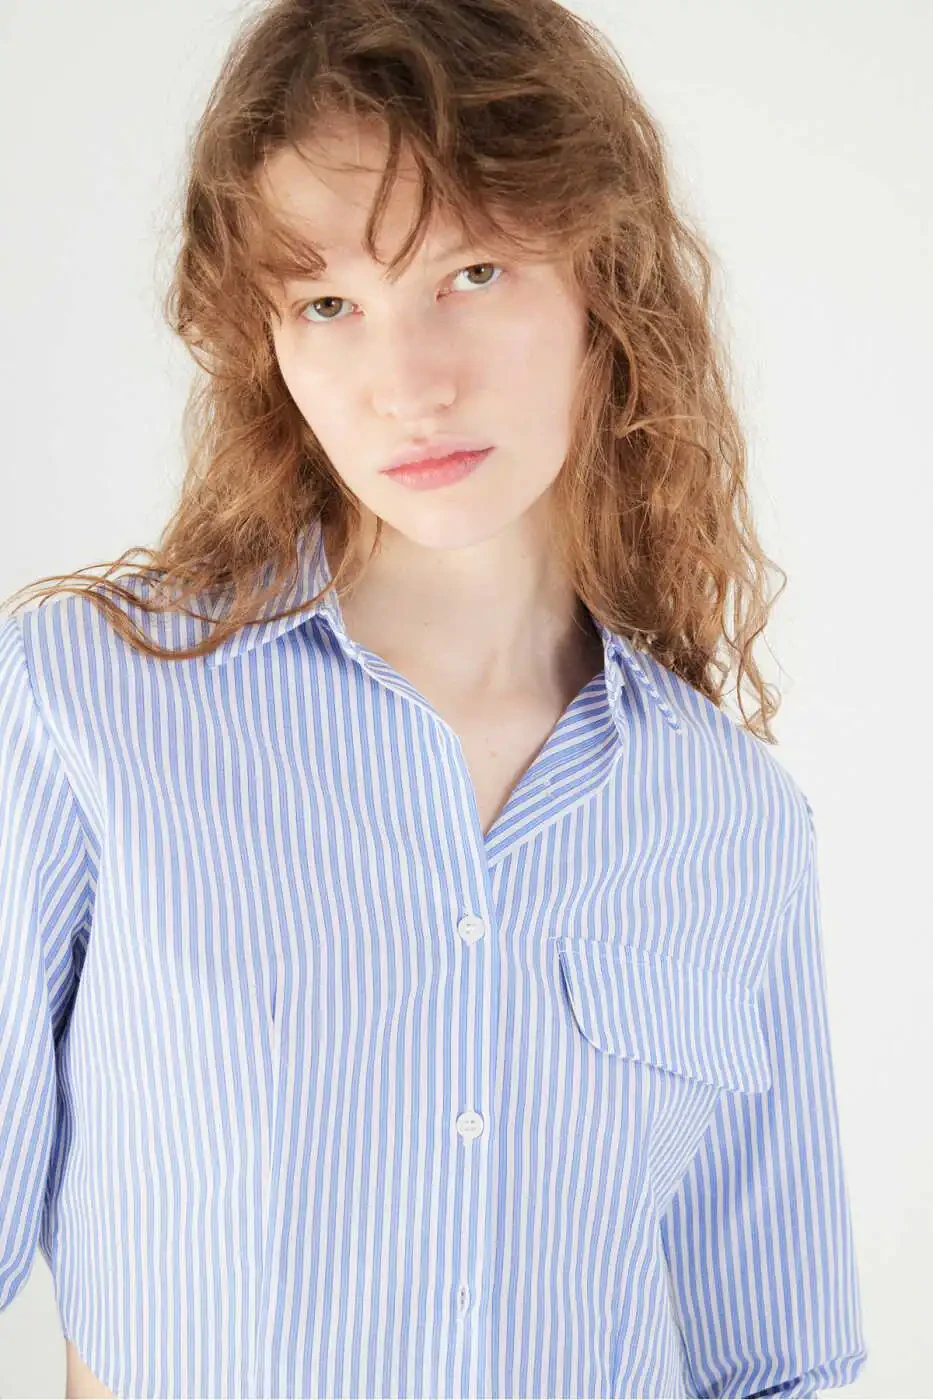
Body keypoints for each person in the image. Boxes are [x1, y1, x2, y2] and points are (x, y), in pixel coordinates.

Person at [0, 0, 868, 1396]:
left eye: (472, 272)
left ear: (604, 287)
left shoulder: (733, 820)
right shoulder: (82, 705)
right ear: (268, 344)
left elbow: (773, 1362)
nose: (407, 385)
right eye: (328, 304)